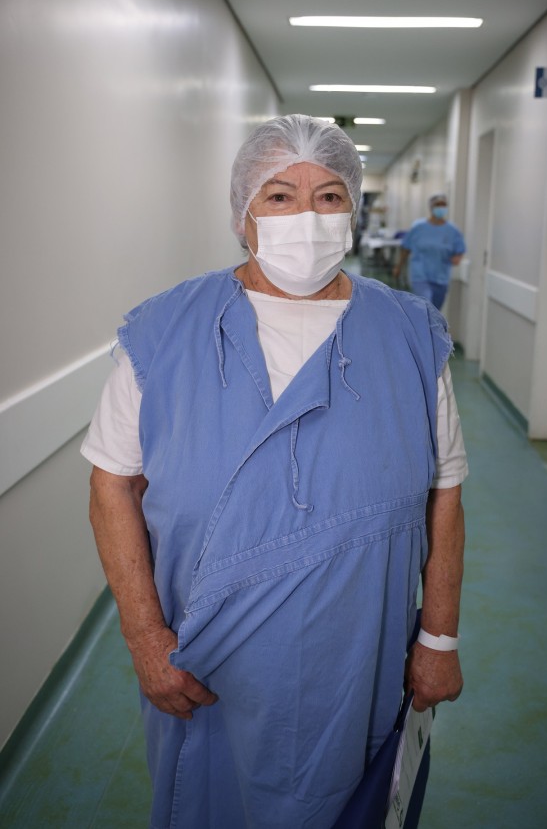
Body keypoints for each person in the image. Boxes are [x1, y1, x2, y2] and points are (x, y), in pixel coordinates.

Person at [82, 115, 467, 829]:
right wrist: (144, 639)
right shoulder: (163, 331)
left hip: (363, 653)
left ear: (351, 208)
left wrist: (438, 639)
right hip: (210, 663)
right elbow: (112, 484)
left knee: (352, 796)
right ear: (241, 214)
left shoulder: (412, 334)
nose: (307, 217)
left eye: (328, 197)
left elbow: (446, 490)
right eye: (280, 196)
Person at [394, 193, 466, 310]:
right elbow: (406, 248)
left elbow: (459, 250)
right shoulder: (418, 227)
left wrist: (457, 257)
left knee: (436, 310)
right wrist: (398, 267)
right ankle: (422, 328)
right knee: (426, 306)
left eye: (443, 205)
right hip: (420, 275)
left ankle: (429, 328)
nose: (441, 208)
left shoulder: (452, 231)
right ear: (431, 207)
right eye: (438, 205)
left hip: (441, 277)